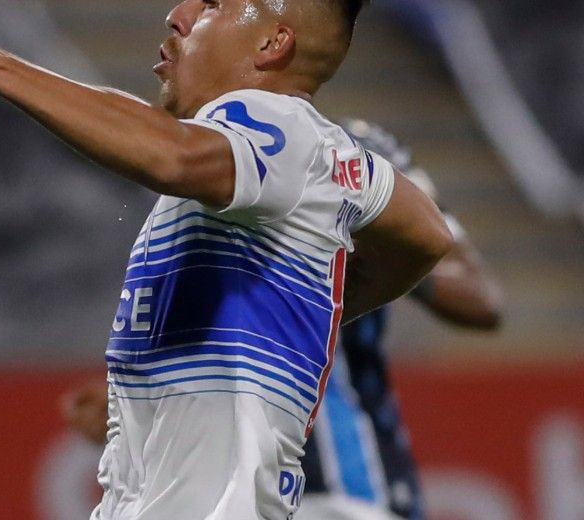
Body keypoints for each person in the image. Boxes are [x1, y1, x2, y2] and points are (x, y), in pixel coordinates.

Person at [0, 0, 456, 520]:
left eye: (210, 0)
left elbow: (172, 154)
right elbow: (425, 233)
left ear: (272, 46)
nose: (177, 16)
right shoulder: (316, 157)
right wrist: (322, 306)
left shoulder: (273, 122)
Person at [58, 118, 505, 519]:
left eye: (199, 22)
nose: (174, 32)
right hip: (236, 491)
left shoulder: (354, 155)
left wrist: (374, 244)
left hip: (348, 488)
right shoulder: (179, 182)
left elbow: (478, 296)